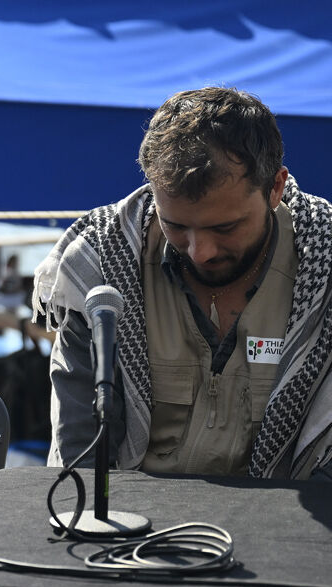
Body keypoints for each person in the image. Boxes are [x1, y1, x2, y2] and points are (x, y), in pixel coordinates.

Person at [33, 86, 332, 480]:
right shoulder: (97, 268)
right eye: (175, 226)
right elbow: (83, 452)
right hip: (130, 526)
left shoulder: (323, 268)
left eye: (225, 227)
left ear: (275, 187)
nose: (200, 251)